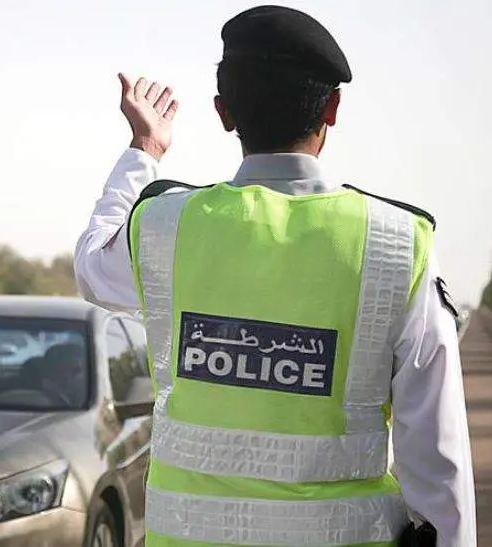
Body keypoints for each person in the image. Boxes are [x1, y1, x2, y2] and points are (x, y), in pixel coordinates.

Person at [73, 5, 476, 546]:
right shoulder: (396, 245)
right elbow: (438, 461)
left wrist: (144, 150)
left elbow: (92, 268)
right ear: (332, 108)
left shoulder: (164, 229)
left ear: (223, 113)